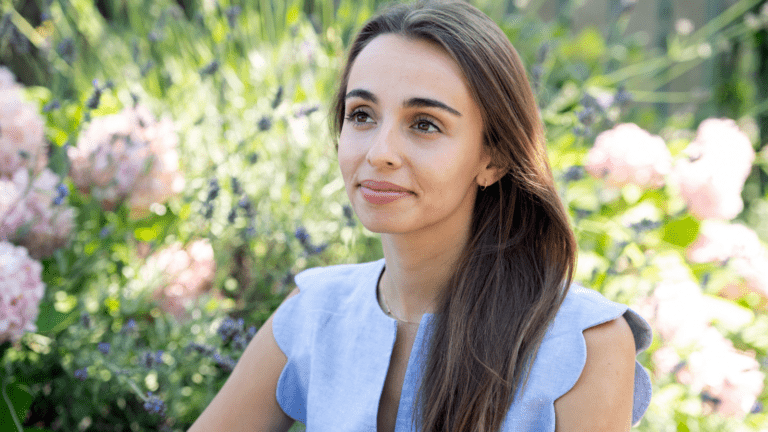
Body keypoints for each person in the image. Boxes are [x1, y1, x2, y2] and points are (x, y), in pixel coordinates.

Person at [188, 1, 652, 431]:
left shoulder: (587, 343)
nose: (380, 152)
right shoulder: (316, 310)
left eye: (425, 124)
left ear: (493, 158)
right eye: (362, 115)